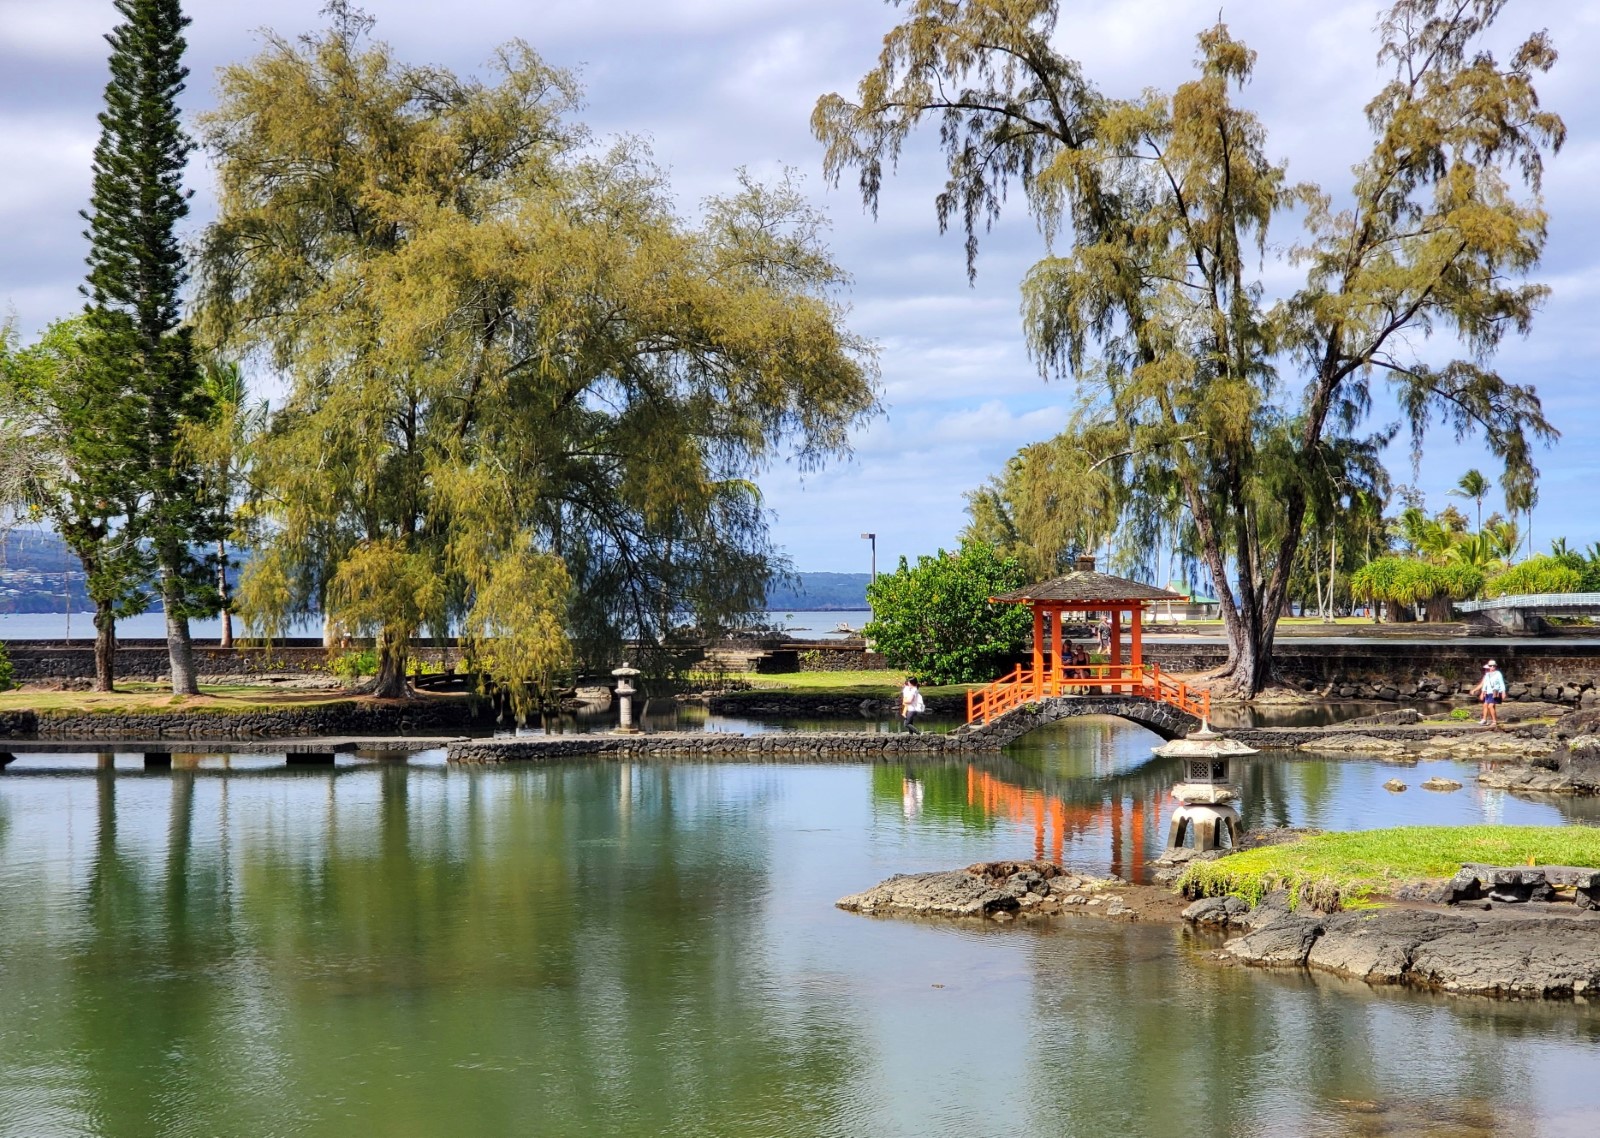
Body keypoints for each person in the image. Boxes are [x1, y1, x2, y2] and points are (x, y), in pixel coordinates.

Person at [1470, 659, 1507, 728]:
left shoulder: (1498, 674)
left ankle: (1494, 721)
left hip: (1495, 691)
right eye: (1490, 666)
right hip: (1488, 692)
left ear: (1495, 666)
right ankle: (1486, 719)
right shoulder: (1487, 675)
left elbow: (1501, 683)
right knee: (1487, 705)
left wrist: (1503, 692)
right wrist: (1483, 692)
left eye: (1493, 666)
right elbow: (1484, 684)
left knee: (1490, 706)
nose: (1492, 667)